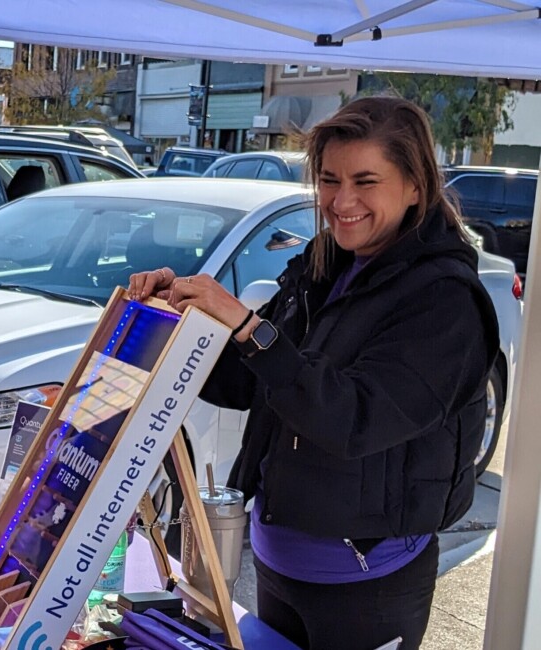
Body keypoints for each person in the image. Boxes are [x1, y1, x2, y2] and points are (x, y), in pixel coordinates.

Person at [128, 96, 499, 650]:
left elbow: (354, 419)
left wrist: (252, 329)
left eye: (365, 181)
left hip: (367, 584)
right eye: (329, 180)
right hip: (279, 568)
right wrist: (182, 325)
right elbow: (249, 384)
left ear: (416, 186)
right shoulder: (324, 265)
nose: (341, 201)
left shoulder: (444, 300)